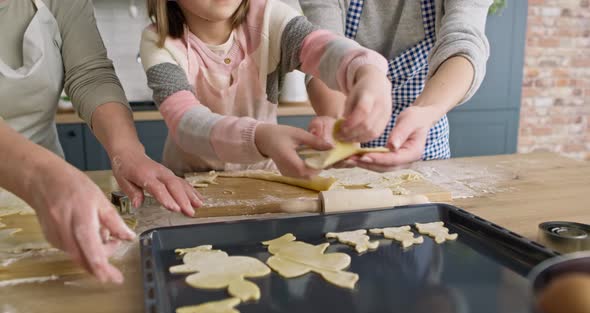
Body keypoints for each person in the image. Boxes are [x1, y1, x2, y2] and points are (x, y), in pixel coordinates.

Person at [0, 0, 202, 283]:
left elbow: (89, 74)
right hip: (49, 183)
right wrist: (40, 176)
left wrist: (127, 150)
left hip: (51, 202)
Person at [140, 0, 394, 178]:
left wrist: (367, 72)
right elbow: (185, 123)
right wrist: (260, 137)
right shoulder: (159, 41)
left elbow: (323, 47)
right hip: (189, 181)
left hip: (265, 176)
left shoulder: (270, 17)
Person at [300, 0, 492, 171]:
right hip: (344, 120)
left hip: (423, 138)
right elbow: (323, 52)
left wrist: (425, 113)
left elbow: (464, 44)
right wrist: (341, 128)